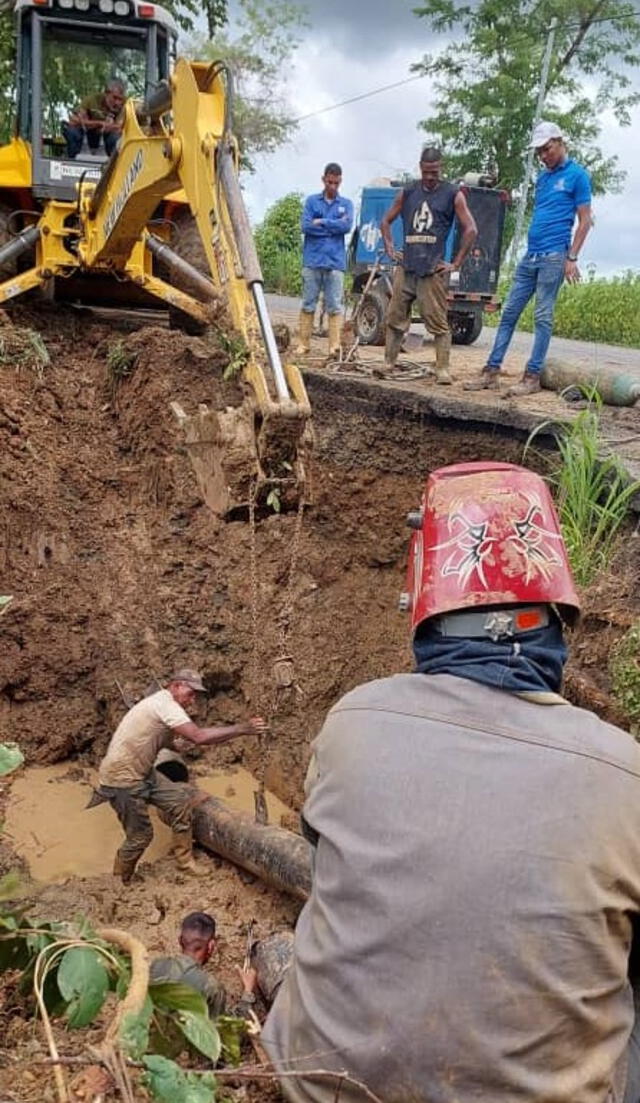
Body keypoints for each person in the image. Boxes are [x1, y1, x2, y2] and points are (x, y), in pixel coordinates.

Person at [262, 460, 640, 1103]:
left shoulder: (353, 721)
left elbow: (329, 864)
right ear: (556, 622)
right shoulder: (625, 773)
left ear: (424, 618)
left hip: (321, 1086)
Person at [96, 667, 266, 883]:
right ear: (175, 686)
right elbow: (198, 736)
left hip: (143, 771)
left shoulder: (161, 705)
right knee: (140, 836)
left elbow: (166, 740)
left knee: (180, 803)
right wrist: (242, 728)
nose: (192, 700)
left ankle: (185, 862)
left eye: (196, 695)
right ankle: (121, 880)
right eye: (190, 692)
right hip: (121, 779)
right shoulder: (165, 704)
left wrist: (178, 746)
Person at [465, 121, 592, 397]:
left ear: (560, 143)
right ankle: (491, 370)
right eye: (539, 153)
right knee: (509, 312)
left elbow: (585, 221)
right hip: (531, 255)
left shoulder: (577, 176)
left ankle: (532, 376)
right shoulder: (544, 179)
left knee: (543, 316)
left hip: (554, 256)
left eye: (546, 149)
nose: (543, 156)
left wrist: (572, 257)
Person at [380, 145, 477, 384]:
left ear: (440, 168)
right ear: (421, 168)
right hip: (407, 266)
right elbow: (386, 221)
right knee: (395, 317)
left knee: (437, 321)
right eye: (426, 172)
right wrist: (390, 246)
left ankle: (442, 368)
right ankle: (388, 362)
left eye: (434, 172)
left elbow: (471, 229)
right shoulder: (408, 191)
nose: (430, 177)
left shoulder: (453, 194)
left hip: (432, 269)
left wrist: (455, 263)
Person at [150, 911, 258, 1018]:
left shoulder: (156, 965)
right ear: (211, 946)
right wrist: (248, 992)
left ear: (180, 940)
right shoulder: (211, 987)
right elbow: (224, 1030)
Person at [297, 163, 353, 359]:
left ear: (340, 181)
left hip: (335, 263)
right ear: (323, 179)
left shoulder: (346, 204)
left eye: (336, 183)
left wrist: (322, 222)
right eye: (330, 182)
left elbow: (346, 227)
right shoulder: (312, 202)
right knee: (308, 303)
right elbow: (305, 226)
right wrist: (333, 226)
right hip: (312, 261)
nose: (332, 186)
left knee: (335, 306)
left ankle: (334, 347)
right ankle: (303, 344)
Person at [63, 79, 126, 160]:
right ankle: (73, 162)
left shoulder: (125, 106)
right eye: (114, 98)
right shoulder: (92, 100)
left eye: (120, 99)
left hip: (106, 138)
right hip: (87, 135)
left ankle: (113, 167)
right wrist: (100, 123)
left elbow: (119, 127)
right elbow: (73, 120)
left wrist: (87, 122)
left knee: (116, 138)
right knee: (72, 132)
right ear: (106, 94)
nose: (117, 102)